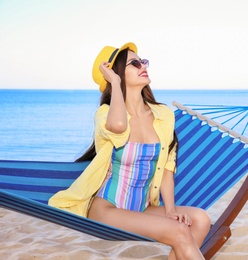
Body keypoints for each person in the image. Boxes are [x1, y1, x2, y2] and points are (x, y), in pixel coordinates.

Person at [48, 42, 211, 259]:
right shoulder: (105, 114)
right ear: (115, 75)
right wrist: (115, 83)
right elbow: (118, 127)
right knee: (179, 231)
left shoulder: (163, 114)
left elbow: (167, 168)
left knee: (200, 219)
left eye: (143, 61)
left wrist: (170, 210)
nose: (143, 65)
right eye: (134, 63)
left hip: (142, 207)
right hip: (107, 210)